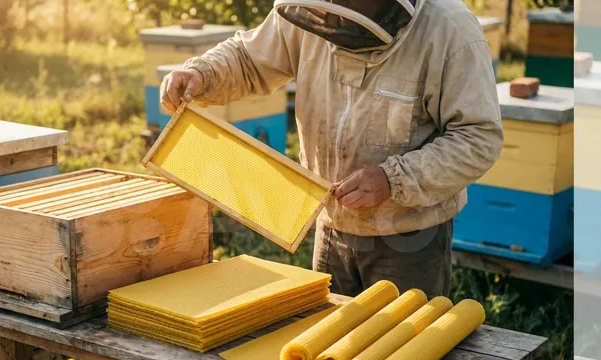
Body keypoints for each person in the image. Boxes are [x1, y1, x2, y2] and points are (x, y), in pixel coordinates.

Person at [160, 0, 504, 299]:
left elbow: (478, 136)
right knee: (328, 351)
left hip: (410, 238)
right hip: (331, 227)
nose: (334, 19)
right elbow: (248, 59)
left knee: (399, 357)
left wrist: (393, 179)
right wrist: (202, 73)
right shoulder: (309, 12)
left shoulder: (450, 30)